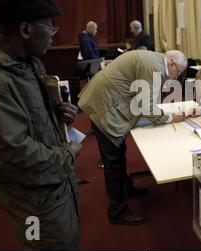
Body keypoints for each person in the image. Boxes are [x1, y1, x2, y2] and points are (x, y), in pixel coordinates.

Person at [0, 0, 82, 250]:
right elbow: (12, 154)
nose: (53, 36)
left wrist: (56, 113)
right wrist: (68, 154)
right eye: (49, 28)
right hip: (34, 197)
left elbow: (28, 118)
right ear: (26, 30)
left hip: (52, 183)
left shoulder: (26, 62)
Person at [78, 49, 187, 225]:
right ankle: (117, 211)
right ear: (172, 63)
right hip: (104, 104)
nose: (175, 78)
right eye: (179, 72)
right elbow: (147, 105)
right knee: (113, 161)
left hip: (105, 98)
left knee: (119, 151)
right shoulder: (155, 66)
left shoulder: (154, 61)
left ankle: (126, 189)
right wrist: (169, 117)